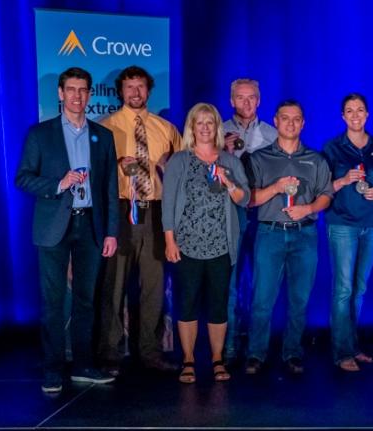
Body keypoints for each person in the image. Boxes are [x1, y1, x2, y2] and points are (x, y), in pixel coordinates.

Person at [16, 67, 119, 393]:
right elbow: (22, 178)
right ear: (60, 94)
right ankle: (53, 369)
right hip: (53, 226)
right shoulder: (40, 134)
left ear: (90, 94)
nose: (77, 96)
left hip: (90, 225)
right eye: (71, 89)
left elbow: (110, 187)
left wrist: (111, 231)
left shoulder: (103, 136)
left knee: (86, 300)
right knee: (53, 301)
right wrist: (58, 184)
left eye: (83, 90)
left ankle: (83, 365)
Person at [98, 66, 182, 375]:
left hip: (156, 212)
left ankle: (150, 351)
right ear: (120, 91)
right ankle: (110, 353)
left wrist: (168, 169)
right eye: (130, 87)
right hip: (120, 211)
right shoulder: (105, 128)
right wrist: (118, 165)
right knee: (114, 285)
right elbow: (95, 174)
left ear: (149, 90)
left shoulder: (166, 129)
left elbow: (182, 170)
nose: (135, 92)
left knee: (154, 286)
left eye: (141, 87)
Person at [244, 100, 333, 375]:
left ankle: (292, 352)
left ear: (303, 123)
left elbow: (326, 195)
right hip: (270, 234)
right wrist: (276, 188)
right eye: (285, 118)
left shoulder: (316, 159)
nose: (290, 123)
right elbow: (249, 200)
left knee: (299, 300)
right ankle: (256, 353)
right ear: (276, 121)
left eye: (296, 119)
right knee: (262, 299)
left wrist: (308, 208)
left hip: (304, 235)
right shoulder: (259, 158)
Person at [162, 103, 250, 383]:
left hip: (220, 246)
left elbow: (245, 199)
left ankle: (217, 359)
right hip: (186, 246)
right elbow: (168, 203)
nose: (204, 128)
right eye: (199, 122)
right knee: (187, 303)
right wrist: (169, 241)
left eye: (209, 122)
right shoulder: (179, 161)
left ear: (217, 127)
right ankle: (188, 360)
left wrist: (228, 182)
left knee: (218, 304)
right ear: (191, 127)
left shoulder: (230, 162)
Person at [322, 93, 373, 372]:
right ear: (342, 116)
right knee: (343, 289)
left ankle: (353, 345)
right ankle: (342, 353)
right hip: (342, 224)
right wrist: (342, 180)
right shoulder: (332, 147)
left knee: (359, 290)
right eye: (349, 111)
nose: (355, 115)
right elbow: (322, 188)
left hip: (371, 224)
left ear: (367, 114)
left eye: (360, 110)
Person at [221, 78, 278, 362]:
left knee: (263, 283)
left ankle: (257, 347)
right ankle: (230, 343)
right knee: (229, 283)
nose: (246, 102)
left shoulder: (272, 133)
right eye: (241, 97)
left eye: (251, 97)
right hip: (230, 214)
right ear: (232, 100)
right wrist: (224, 152)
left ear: (259, 100)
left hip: (264, 214)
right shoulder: (217, 131)